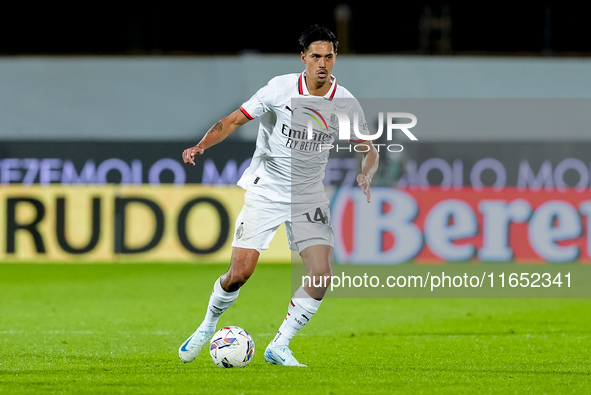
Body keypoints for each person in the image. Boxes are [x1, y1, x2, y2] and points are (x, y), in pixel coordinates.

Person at [179, 24, 378, 367]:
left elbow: (367, 148)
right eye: (316, 56)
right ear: (303, 57)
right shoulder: (279, 89)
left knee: (321, 276)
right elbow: (232, 121)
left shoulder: (344, 102)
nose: (322, 63)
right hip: (267, 190)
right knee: (239, 273)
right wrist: (201, 145)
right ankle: (207, 325)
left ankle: (280, 345)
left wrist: (367, 171)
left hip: (308, 197)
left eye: (329, 57)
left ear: (335, 59)